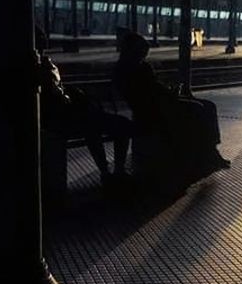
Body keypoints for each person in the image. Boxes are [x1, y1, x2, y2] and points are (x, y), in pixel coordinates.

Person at [112, 31, 230, 183]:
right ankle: (208, 153)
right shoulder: (134, 69)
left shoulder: (129, 67)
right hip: (154, 109)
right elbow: (150, 91)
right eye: (142, 52)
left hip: (158, 104)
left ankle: (210, 151)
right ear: (134, 50)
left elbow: (152, 88)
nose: (145, 55)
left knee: (206, 106)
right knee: (201, 109)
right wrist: (170, 93)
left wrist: (167, 92)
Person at [39, 55, 134, 186]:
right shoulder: (46, 69)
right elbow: (59, 95)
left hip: (73, 117)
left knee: (93, 128)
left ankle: (106, 172)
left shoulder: (42, 67)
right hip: (73, 118)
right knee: (110, 126)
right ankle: (117, 171)